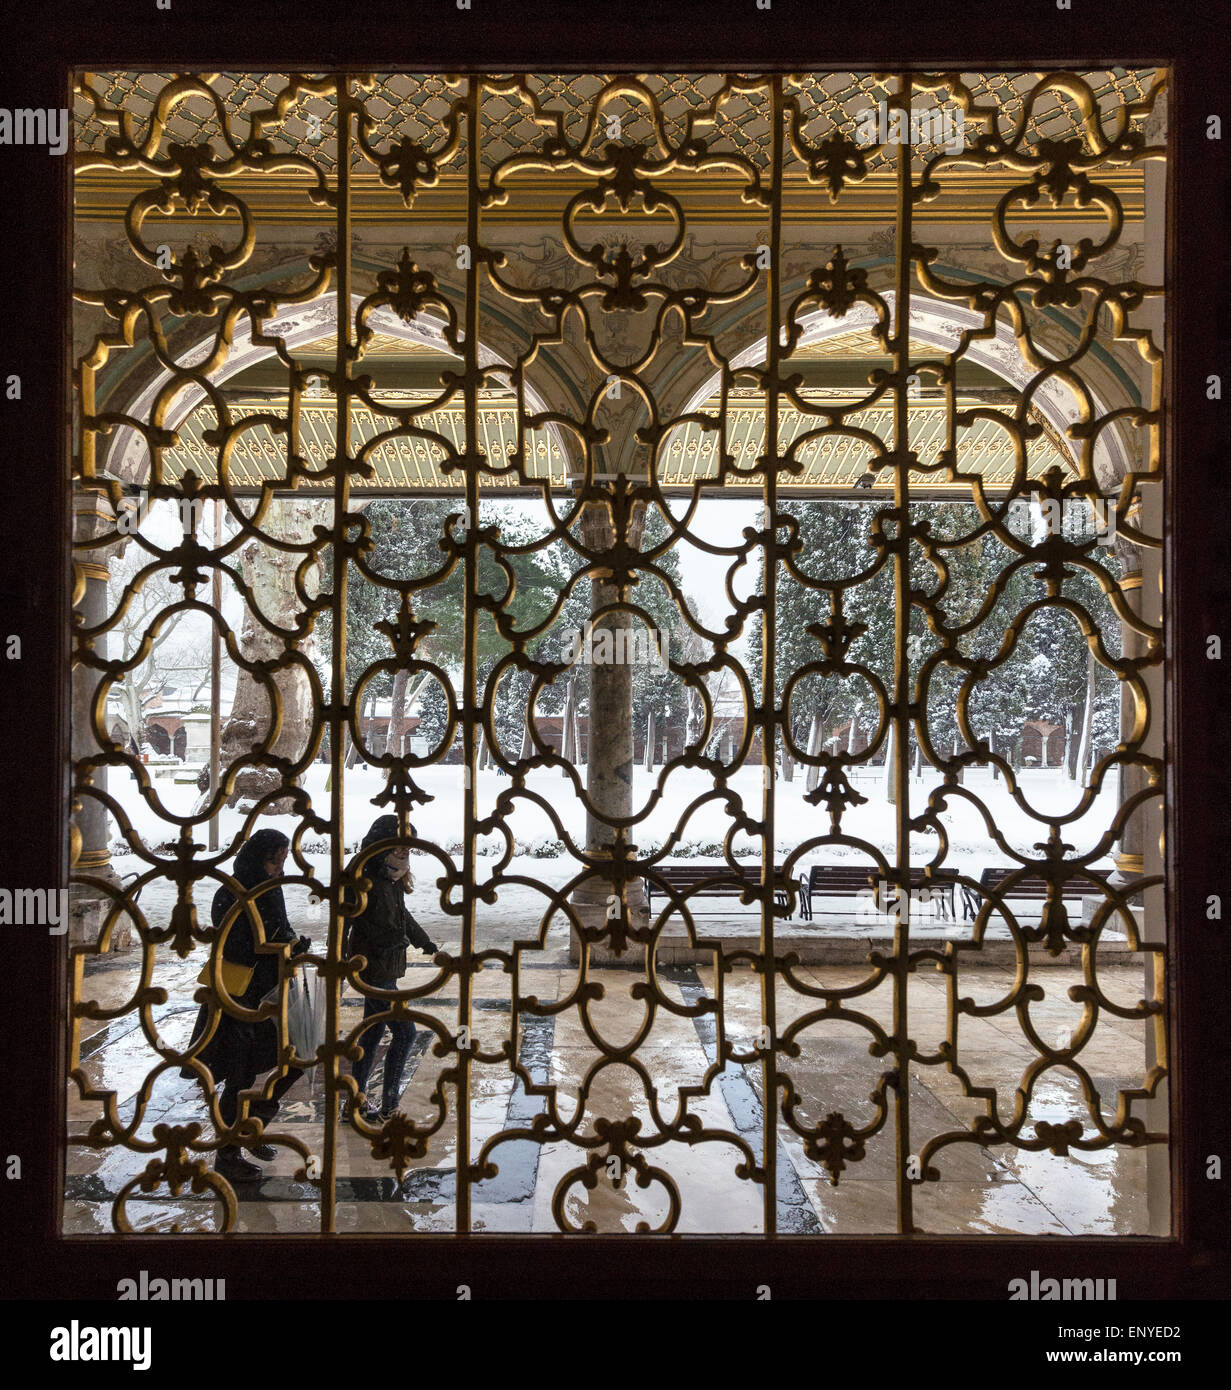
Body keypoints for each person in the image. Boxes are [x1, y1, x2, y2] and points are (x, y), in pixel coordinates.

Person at [183, 828, 311, 1183]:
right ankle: (228, 1154)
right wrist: (283, 946)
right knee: (238, 1077)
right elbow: (240, 944)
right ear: (257, 859)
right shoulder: (234, 892)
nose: (279, 869)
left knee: (297, 1057)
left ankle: (251, 1127)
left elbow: (277, 931)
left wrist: (290, 944)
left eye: (283, 861)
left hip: (267, 995)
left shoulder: (269, 889)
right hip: (237, 999)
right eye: (274, 861)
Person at [343, 815, 439, 1123]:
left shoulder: (390, 878)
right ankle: (388, 1104)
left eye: (407, 849)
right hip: (373, 968)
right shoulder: (365, 879)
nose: (403, 854)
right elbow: (361, 922)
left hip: (386, 969)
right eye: (397, 848)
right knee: (405, 1032)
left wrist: (424, 942)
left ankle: (356, 1102)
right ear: (380, 846)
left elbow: (403, 917)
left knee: (371, 1036)